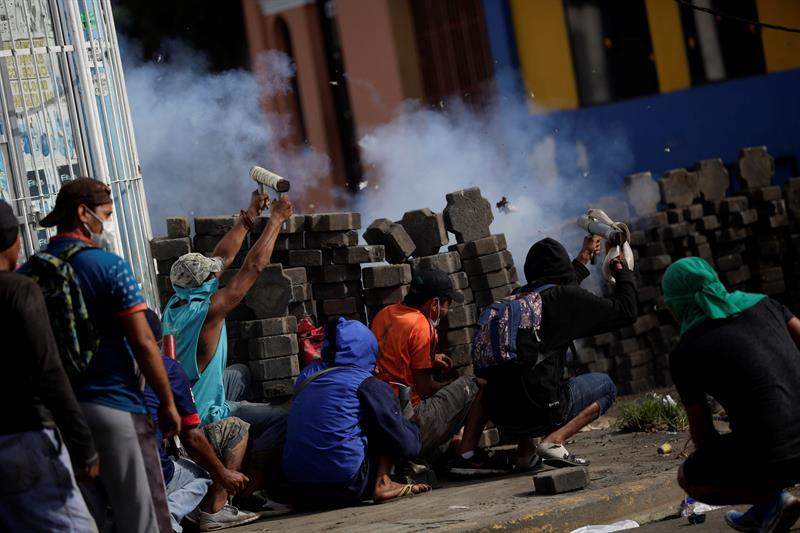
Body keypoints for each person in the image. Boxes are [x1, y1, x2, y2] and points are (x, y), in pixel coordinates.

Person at [20, 177, 180, 533]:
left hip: (59, 418)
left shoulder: (29, 273)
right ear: (83, 214)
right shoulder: (109, 267)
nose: (107, 223)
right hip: (116, 408)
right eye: (106, 214)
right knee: (142, 519)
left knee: (90, 522)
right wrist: (168, 402)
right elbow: (143, 342)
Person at [163, 190, 293, 514]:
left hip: (186, 396)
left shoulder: (176, 304)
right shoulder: (210, 310)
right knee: (283, 419)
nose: (216, 272)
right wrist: (275, 219)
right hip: (203, 414)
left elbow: (222, 258)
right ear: (205, 284)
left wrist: (249, 217)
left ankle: (240, 451)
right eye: (211, 274)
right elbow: (252, 267)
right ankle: (252, 490)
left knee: (240, 374)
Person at [663, 257, 800, 532]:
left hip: (777, 455)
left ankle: (770, 501)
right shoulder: (767, 304)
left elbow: (702, 434)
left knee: (689, 477)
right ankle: (766, 507)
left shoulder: (685, 352)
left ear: (676, 304)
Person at [478, 236, 636, 469]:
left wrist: (584, 256)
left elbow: (560, 286)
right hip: (542, 412)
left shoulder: (517, 298)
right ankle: (553, 441)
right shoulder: (564, 300)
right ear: (561, 268)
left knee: (521, 371)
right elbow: (626, 311)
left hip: (502, 415)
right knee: (606, 386)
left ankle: (525, 454)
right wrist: (620, 269)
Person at [0, 200, 98, 532]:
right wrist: (84, 448)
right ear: (13, 241)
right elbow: (49, 371)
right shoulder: (19, 290)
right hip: (27, 437)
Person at [283, 317, 431, 506]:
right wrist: (411, 427)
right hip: (347, 485)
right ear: (368, 350)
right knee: (383, 419)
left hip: (301, 489)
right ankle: (383, 482)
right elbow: (408, 446)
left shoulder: (306, 377)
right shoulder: (367, 384)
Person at [142, 309, 259, 531]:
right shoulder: (166, 366)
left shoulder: (99, 366)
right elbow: (191, 438)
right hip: (154, 466)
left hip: (103, 468)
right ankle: (180, 516)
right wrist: (222, 474)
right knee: (204, 474)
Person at [370, 267, 495, 474]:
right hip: (411, 419)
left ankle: (446, 449)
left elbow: (393, 355)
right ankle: (467, 455)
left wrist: (429, 360)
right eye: (447, 304)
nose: (446, 311)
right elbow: (425, 387)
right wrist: (452, 386)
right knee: (473, 384)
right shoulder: (421, 325)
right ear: (435, 303)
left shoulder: (385, 314)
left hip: (385, 414)